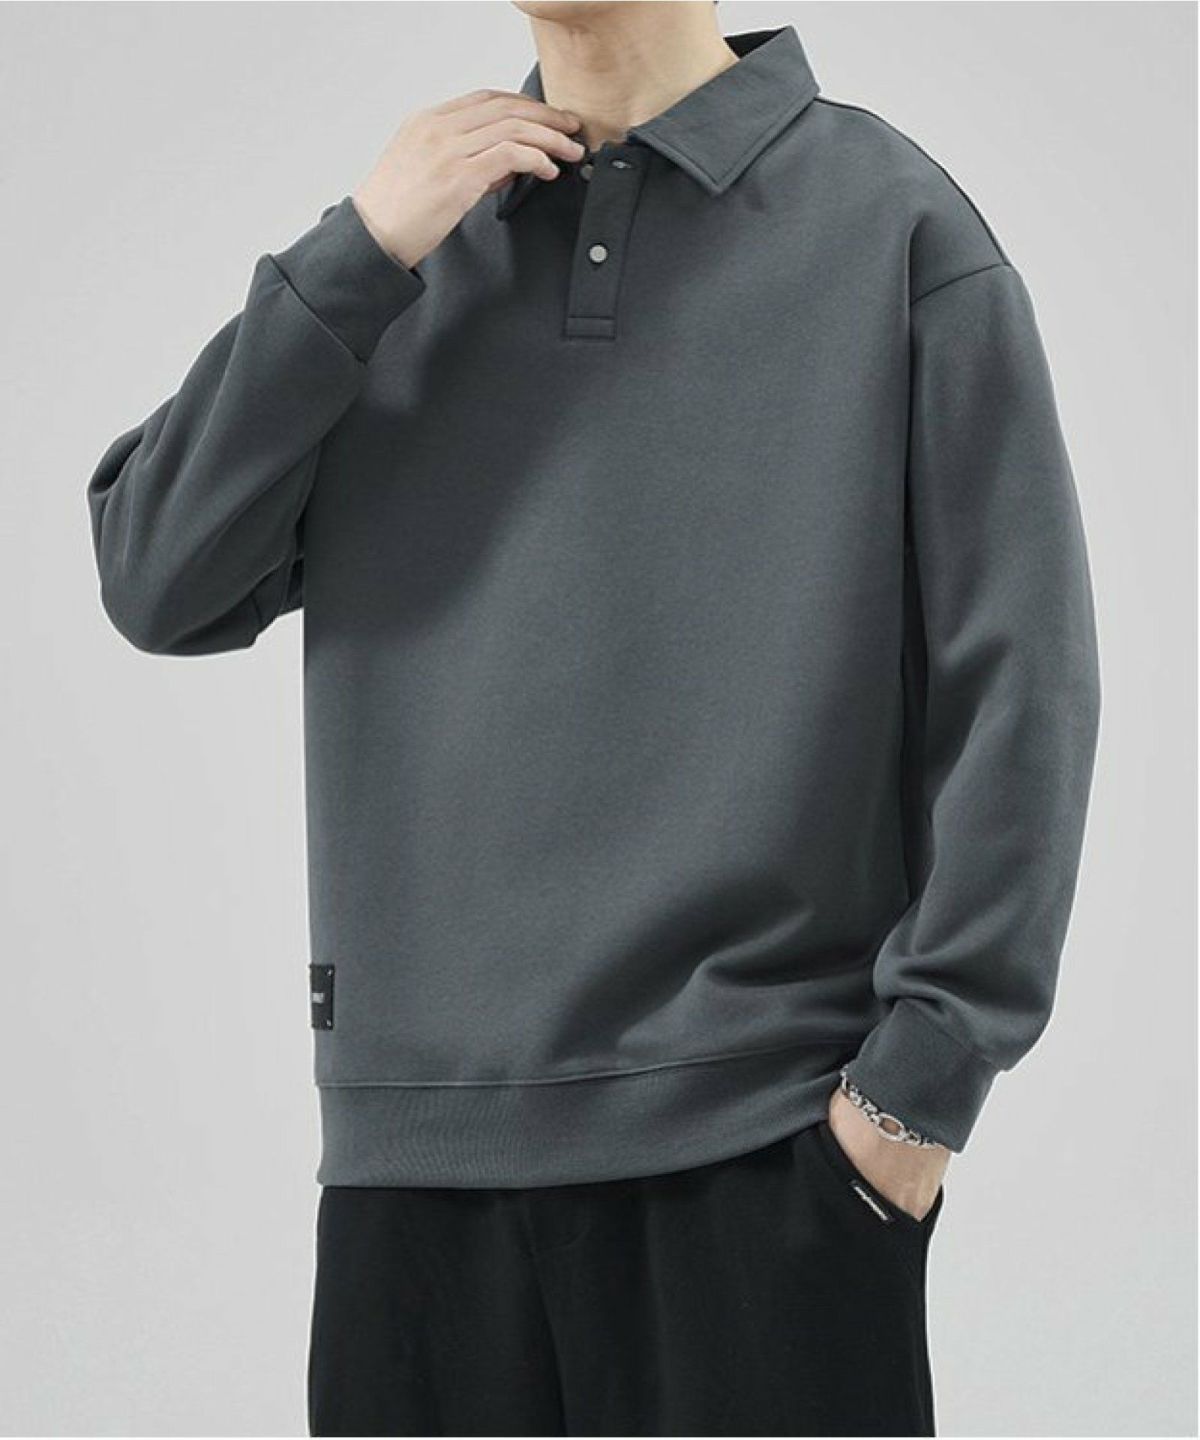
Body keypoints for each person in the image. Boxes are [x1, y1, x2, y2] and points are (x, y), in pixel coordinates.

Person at [86, 3, 1101, 1434]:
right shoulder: (408, 250)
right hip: (414, 1177)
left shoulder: (892, 228)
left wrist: (912, 1102)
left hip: (764, 1155)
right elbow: (158, 577)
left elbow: (1021, 688)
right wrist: (358, 252)